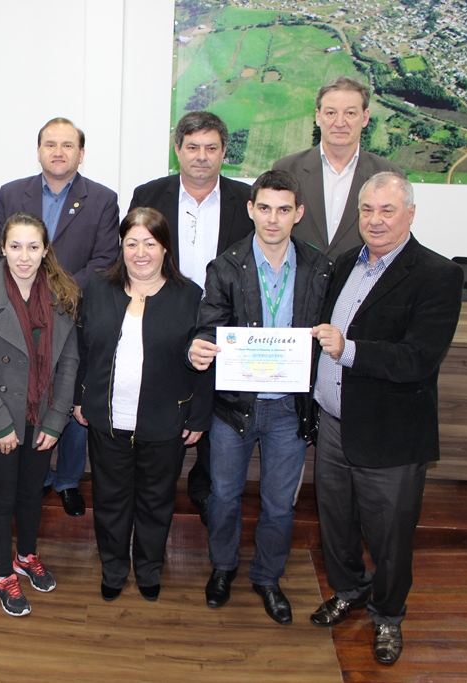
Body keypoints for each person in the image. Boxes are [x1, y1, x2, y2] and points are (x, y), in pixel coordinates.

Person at [308, 172, 463, 664]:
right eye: (367, 210)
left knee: (390, 537)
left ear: (410, 214)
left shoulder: (438, 275)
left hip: (391, 434)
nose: (375, 220)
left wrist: (349, 349)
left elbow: (419, 358)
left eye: (387, 210)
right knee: (336, 523)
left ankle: (389, 616)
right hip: (334, 424)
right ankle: (349, 591)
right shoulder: (344, 264)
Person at [187, 170, 331, 624]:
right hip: (234, 406)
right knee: (224, 495)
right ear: (251, 209)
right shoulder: (225, 267)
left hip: (289, 407)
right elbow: (209, 325)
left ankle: (268, 577)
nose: (273, 219)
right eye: (264, 208)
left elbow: (327, 329)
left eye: (283, 209)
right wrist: (199, 345)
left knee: (279, 503)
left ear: (298, 214)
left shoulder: (319, 267)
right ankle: (223, 568)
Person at [75, 207, 211, 602]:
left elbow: (205, 360)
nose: (140, 253)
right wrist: (79, 398)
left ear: (165, 247)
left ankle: (149, 568)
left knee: (156, 502)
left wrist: (198, 415)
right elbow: (82, 350)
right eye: (131, 243)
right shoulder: (98, 287)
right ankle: (114, 569)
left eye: (149, 243)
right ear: (121, 247)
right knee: (110, 501)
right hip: (108, 419)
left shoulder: (190, 296)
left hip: (165, 420)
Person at [0, 117, 119, 517]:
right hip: (20, 316)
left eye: (67, 145)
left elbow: (105, 260)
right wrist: (29, 294)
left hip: (74, 315)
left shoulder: (102, 198)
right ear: (38, 150)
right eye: (50, 144)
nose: (58, 152)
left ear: (81, 153)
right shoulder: (12, 193)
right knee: (31, 391)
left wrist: (55, 291)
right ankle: (37, 475)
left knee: (69, 397)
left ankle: (68, 480)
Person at [129, 110, 255, 526]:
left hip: (226, 323)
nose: (202, 156)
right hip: (164, 316)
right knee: (163, 400)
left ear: (224, 152)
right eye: (193, 147)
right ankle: (150, 491)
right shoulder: (149, 194)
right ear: (177, 149)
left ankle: (204, 490)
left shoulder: (245, 200)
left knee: (215, 409)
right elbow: (133, 254)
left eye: (211, 148)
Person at [0, 212, 80, 617]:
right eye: (15, 246)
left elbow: (69, 362)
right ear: (2, 249)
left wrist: (56, 419)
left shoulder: (62, 293)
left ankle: (26, 556)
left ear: (45, 250)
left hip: (41, 414)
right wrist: (0, 424)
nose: (24, 256)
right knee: (2, 498)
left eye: (32, 247)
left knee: (32, 493)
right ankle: (2, 575)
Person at [273, 76, 404, 259]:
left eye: (350, 113)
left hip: (361, 276)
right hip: (299, 275)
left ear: (365, 118)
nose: (340, 122)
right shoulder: (287, 169)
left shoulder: (389, 175)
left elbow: (395, 241)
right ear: (318, 117)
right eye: (331, 113)